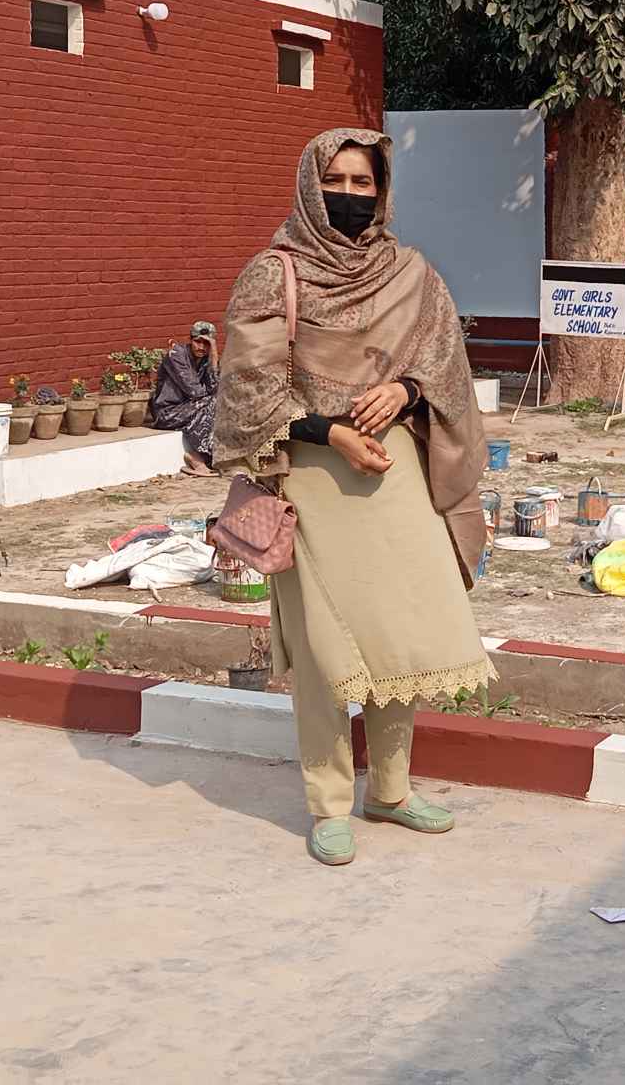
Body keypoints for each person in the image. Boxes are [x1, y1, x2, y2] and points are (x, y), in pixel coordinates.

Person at [211, 127, 492, 868]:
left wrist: (405, 391)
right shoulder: (273, 274)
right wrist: (330, 431)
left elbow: (444, 363)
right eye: (334, 181)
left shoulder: (412, 273)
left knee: (401, 635)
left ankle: (390, 791)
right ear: (311, 186)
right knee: (324, 651)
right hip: (313, 476)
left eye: (362, 182)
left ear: (382, 190)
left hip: (396, 475)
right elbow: (249, 388)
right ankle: (329, 803)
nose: (348, 194)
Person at [151, 321, 221, 470]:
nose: (201, 347)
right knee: (213, 401)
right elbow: (195, 391)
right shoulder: (176, 355)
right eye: (198, 342)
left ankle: (213, 456)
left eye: (207, 344)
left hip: (190, 409)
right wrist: (208, 392)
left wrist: (214, 356)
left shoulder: (206, 359)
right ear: (190, 340)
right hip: (166, 413)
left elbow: (214, 388)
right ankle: (197, 457)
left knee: (220, 401)